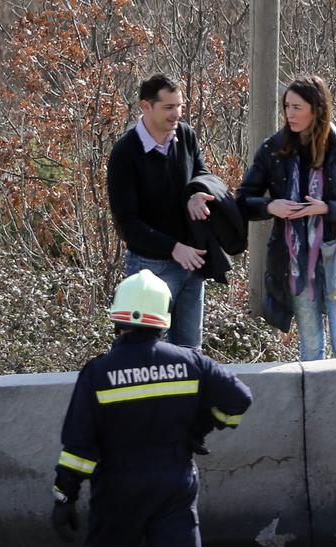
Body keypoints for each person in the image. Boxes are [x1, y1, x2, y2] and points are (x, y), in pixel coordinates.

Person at [51, 270, 252, 547]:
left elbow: (78, 446)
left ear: (118, 320)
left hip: (118, 492)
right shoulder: (189, 361)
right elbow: (239, 400)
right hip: (174, 485)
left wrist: (64, 495)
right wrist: (203, 426)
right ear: (163, 318)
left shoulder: (99, 372)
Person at [237, 75, 336, 360]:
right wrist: (270, 207)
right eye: (286, 106)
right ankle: (315, 406)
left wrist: (327, 208)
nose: (289, 113)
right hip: (295, 263)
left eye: (297, 107)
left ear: (317, 109)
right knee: (311, 348)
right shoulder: (273, 149)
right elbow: (242, 200)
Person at [107, 74, 215, 349]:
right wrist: (173, 248)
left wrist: (195, 193)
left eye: (179, 105)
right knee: (142, 354)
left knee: (191, 355)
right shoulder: (125, 153)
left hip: (192, 262)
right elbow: (127, 223)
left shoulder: (186, 134)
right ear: (145, 106)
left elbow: (202, 172)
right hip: (149, 269)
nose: (176, 113)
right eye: (168, 107)